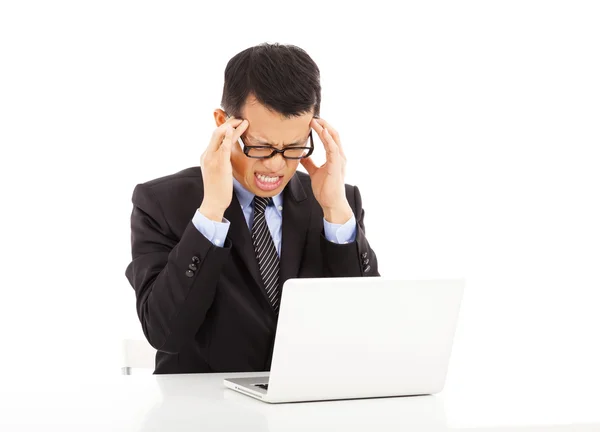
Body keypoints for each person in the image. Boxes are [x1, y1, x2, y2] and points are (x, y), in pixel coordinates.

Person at [125, 43, 379, 374]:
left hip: (307, 406)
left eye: (293, 147)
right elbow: (164, 333)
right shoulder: (161, 203)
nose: (276, 166)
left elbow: (368, 328)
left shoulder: (338, 202)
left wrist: (336, 212)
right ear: (223, 124)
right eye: (261, 146)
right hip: (202, 412)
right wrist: (211, 212)